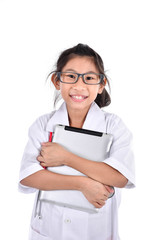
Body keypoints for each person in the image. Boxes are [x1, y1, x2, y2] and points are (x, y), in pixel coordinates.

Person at [19, 43, 135, 240]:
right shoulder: (43, 125)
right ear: (57, 81)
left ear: (100, 85)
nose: (79, 86)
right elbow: (29, 177)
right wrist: (83, 184)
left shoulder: (113, 126)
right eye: (71, 76)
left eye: (89, 78)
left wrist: (66, 157)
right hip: (49, 229)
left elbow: (120, 177)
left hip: (96, 230)